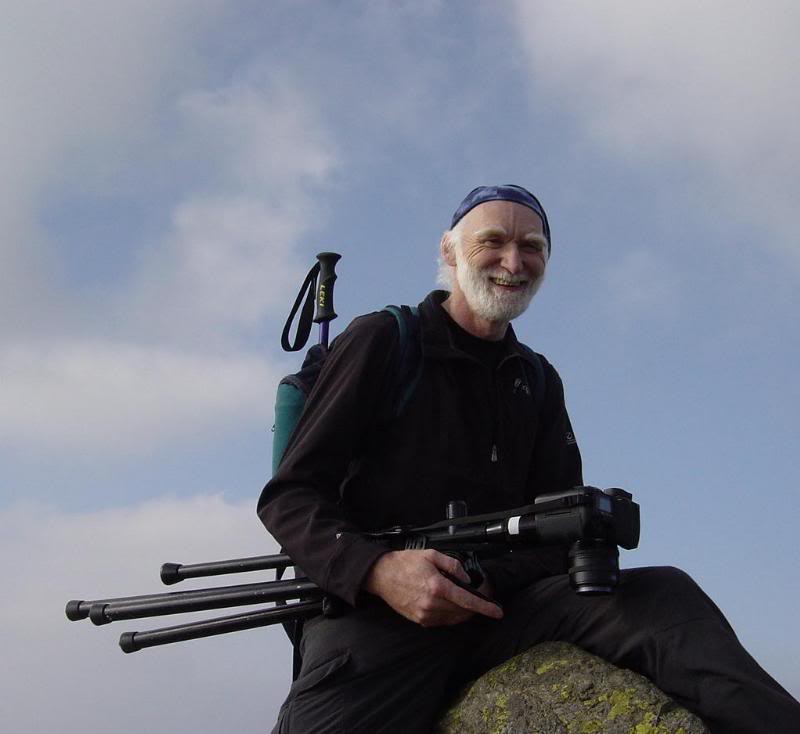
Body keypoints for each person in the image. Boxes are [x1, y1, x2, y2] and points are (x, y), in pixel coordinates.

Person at [258, 185, 800, 733]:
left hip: (500, 607)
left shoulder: (536, 378)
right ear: (448, 251)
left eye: (532, 246)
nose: (513, 262)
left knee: (665, 595)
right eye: (491, 241)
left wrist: (489, 580)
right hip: (380, 615)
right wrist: (378, 570)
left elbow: (556, 529)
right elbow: (291, 496)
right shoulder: (384, 340)